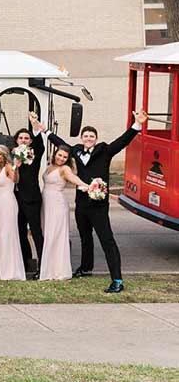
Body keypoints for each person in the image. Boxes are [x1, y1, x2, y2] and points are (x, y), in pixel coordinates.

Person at [43, 110, 147, 293]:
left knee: (107, 240)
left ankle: (117, 280)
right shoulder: (75, 151)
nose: (88, 138)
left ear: (96, 138)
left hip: (99, 206)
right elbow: (61, 144)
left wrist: (136, 125)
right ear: (82, 138)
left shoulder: (104, 150)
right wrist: (45, 131)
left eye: (92, 136)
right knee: (85, 237)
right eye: (86, 135)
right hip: (81, 204)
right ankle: (85, 268)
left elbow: (122, 142)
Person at [35, 140, 88, 281]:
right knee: (47, 233)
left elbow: (74, 178)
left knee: (56, 235)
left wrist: (87, 186)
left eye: (65, 157)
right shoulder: (50, 166)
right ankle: (48, 267)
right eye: (59, 155)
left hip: (57, 204)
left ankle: (57, 270)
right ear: (55, 154)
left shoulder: (65, 169)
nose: (61, 158)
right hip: (46, 202)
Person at [14, 114, 46, 276]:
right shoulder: (11, 155)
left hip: (32, 198)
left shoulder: (35, 154)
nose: (24, 140)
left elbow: (40, 146)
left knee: (35, 232)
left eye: (27, 138)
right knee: (19, 231)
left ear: (30, 141)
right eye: (21, 137)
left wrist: (35, 127)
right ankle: (27, 262)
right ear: (16, 140)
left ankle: (43, 265)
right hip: (16, 198)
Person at [0, 144, 25, 281]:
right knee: (2, 235)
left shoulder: (8, 167)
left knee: (9, 234)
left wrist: (16, 167)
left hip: (8, 202)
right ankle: (4, 270)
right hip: (0, 202)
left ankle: (12, 271)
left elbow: (15, 180)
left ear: (4, 155)